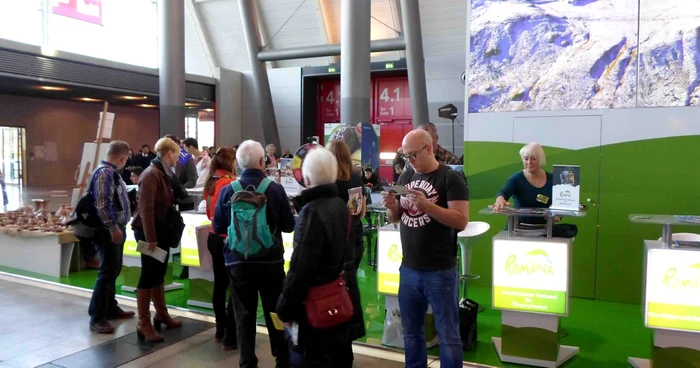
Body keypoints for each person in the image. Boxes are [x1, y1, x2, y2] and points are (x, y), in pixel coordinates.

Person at [381, 129, 470, 368]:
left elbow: (461, 220)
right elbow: (397, 218)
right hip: (409, 267)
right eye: (405, 156)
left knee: (448, 336)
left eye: (413, 155)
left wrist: (427, 206)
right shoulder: (406, 177)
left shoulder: (450, 178)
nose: (408, 161)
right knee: (411, 333)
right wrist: (391, 207)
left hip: (439, 270)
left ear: (429, 148)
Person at [213, 140, 295, 368]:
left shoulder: (228, 190)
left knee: (243, 313)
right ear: (262, 162)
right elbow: (289, 226)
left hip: (237, 261)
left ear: (238, 164)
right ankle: (281, 358)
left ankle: (247, 361)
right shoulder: (274, 189)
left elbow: (218, 227)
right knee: (274, 311)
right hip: (270, 261)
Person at [276, 147, 353, 367]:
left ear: (306, 178)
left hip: (313, 306)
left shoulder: (310, 213)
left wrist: (285, 306)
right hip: (336, 298)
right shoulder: (340, 206)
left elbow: (301, 268)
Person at [131, 137, 190, 343]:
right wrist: (151, 238)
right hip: (149, 232)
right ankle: (143, 322)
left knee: (158, 273)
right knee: (149, 275)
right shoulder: (151, 174)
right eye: (177, 153)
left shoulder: (164, 172)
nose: (179, 158)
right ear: (169, 153)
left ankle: (161, 313)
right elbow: (145, 209)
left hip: (160, 230)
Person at [87, 141, 134, 333]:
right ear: (122, 158)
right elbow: (102, 203)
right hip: (106, 231)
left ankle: (110, 307)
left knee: (113, 270)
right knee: (107, 271)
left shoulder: (110, 172)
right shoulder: (105, 173)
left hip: (115, 229)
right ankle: (96, 316)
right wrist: (113, 227)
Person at [326, 140, 366, 351]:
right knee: (348, 291)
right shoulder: (356, 178)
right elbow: (361, 212)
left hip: (336, 245)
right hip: (355, 241)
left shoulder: (330, 182)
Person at [203, 148, 238, 350]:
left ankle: (220, 328)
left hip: (213, 236)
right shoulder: (228, 183)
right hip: (227, 239)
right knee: (234, 286)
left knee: (220, 284)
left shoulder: (212, 181)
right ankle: (230, 331)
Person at [492, 142, 553, 224]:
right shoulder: (517, 178)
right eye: (526, 158)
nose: (529, 162)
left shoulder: (552, 179)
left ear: (540, 159)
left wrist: (558, 215)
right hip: (516, 229)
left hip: (545, 230)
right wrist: (499, 198)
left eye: (533, 158)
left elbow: (559, 204)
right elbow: (503, 192)